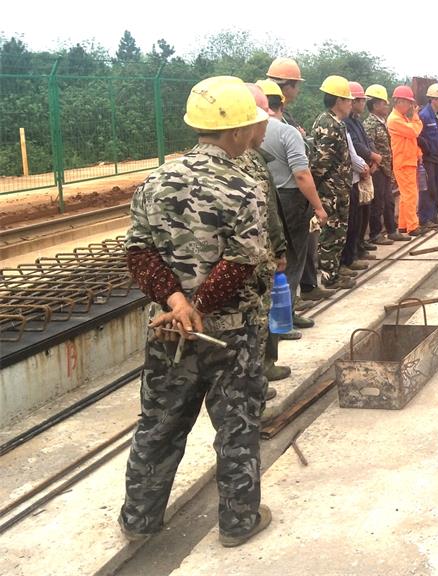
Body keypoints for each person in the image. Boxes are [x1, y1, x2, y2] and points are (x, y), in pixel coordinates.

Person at [119, 76, 272, 547]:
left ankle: (139, 518)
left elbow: (138, 252)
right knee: (236, 428)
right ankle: (238, 522)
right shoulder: (244, 187)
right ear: (237, 131)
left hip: (170, 331)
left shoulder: (154, 183)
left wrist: (177, 303)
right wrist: (199, 306)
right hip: (231, 335)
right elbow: (242, 262)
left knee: (158, 425)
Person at [257, 79, 329, 333]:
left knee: (270, 258)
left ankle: (278, 315)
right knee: (292, 258)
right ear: (281, 103)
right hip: (290, 200)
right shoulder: (287, 132)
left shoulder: (249, 133)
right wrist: (318, 207)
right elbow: (301, 174)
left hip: (263, 199)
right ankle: (283, 318)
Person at [236, 83, 290, 384]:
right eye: (263, 118)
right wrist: (279, 249)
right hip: (256, 256)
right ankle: (258, 375)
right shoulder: (250, 161)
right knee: (257, 317)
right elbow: (267, 210)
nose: (267, 124)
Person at [310, 75, 355, 289]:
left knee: (338, 233)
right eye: (348, 100)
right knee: (332, 233)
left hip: (339, 188)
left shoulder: (336, 123)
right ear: (338, 101)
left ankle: (334, 271)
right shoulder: (328, 124)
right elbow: (321, 162)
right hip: (331, 191)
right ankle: (329, 276)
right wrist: (320, 188)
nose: (351, 104)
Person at [343, 81, 383, 268]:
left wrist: (373, 159)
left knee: (364, 211)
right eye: (360, 100)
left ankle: (360, 245)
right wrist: (369, 160)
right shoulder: (346, 123)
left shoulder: (356, 121)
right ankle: (352, 253)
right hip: (356, 173)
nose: (362, 104)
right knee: (355, 217)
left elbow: (366, 141)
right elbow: (355, 147)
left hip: (365, 170)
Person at [363, 84, 409, 243]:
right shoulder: (370, 124)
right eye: (384, 103)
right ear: (375, 105)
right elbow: (369, 146)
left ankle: (391, 230)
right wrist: (376, 164)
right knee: (378, 202)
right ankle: (375, 234)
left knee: (389, 201)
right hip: (377, 169)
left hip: (386, 169)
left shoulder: (382, 122)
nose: (387, 106)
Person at [387, 85, 424, 237]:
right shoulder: (395, 119)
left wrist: (417, 152)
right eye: (408, 103)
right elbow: (414, 131)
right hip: (404, 162)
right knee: (410, 195)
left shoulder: (401, 118)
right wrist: (416, 116)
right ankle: (413, 227)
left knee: (405, 195)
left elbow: (409, 140)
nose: (410, 106)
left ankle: (403, 225)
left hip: (406, 160)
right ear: (400, 102)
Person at [417, 83, 438, 229]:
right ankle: (425, 218)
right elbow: (418, 137)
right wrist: (427, 150)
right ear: (433, 99)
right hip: (429, 159)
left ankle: (433, 216)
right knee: (429, 189)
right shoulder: (424, 116)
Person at [266, 57, 306, 137]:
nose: (298, 90)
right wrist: (300, 137)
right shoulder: (280, 116)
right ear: (287, 87)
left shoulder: (263, 109)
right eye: (297, 85)